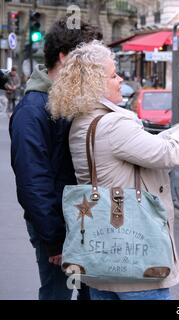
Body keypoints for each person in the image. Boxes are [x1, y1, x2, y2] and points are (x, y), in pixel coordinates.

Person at [48, 40, 179, 300]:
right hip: (136, 263)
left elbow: (150, 145)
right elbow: (167, 153)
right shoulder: (113, 125)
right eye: (113, 75)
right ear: (95, 83)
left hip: (104, 262)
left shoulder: (84, 122)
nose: (120, 80)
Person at [9, 18, 103, 300]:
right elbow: (32, 182)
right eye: (86, 60)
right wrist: (54, 239)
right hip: (57, 225)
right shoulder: (33, 110)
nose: (92, 69)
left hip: (85, 219)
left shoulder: (75, 101)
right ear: (64, 58)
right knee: (56, 294)